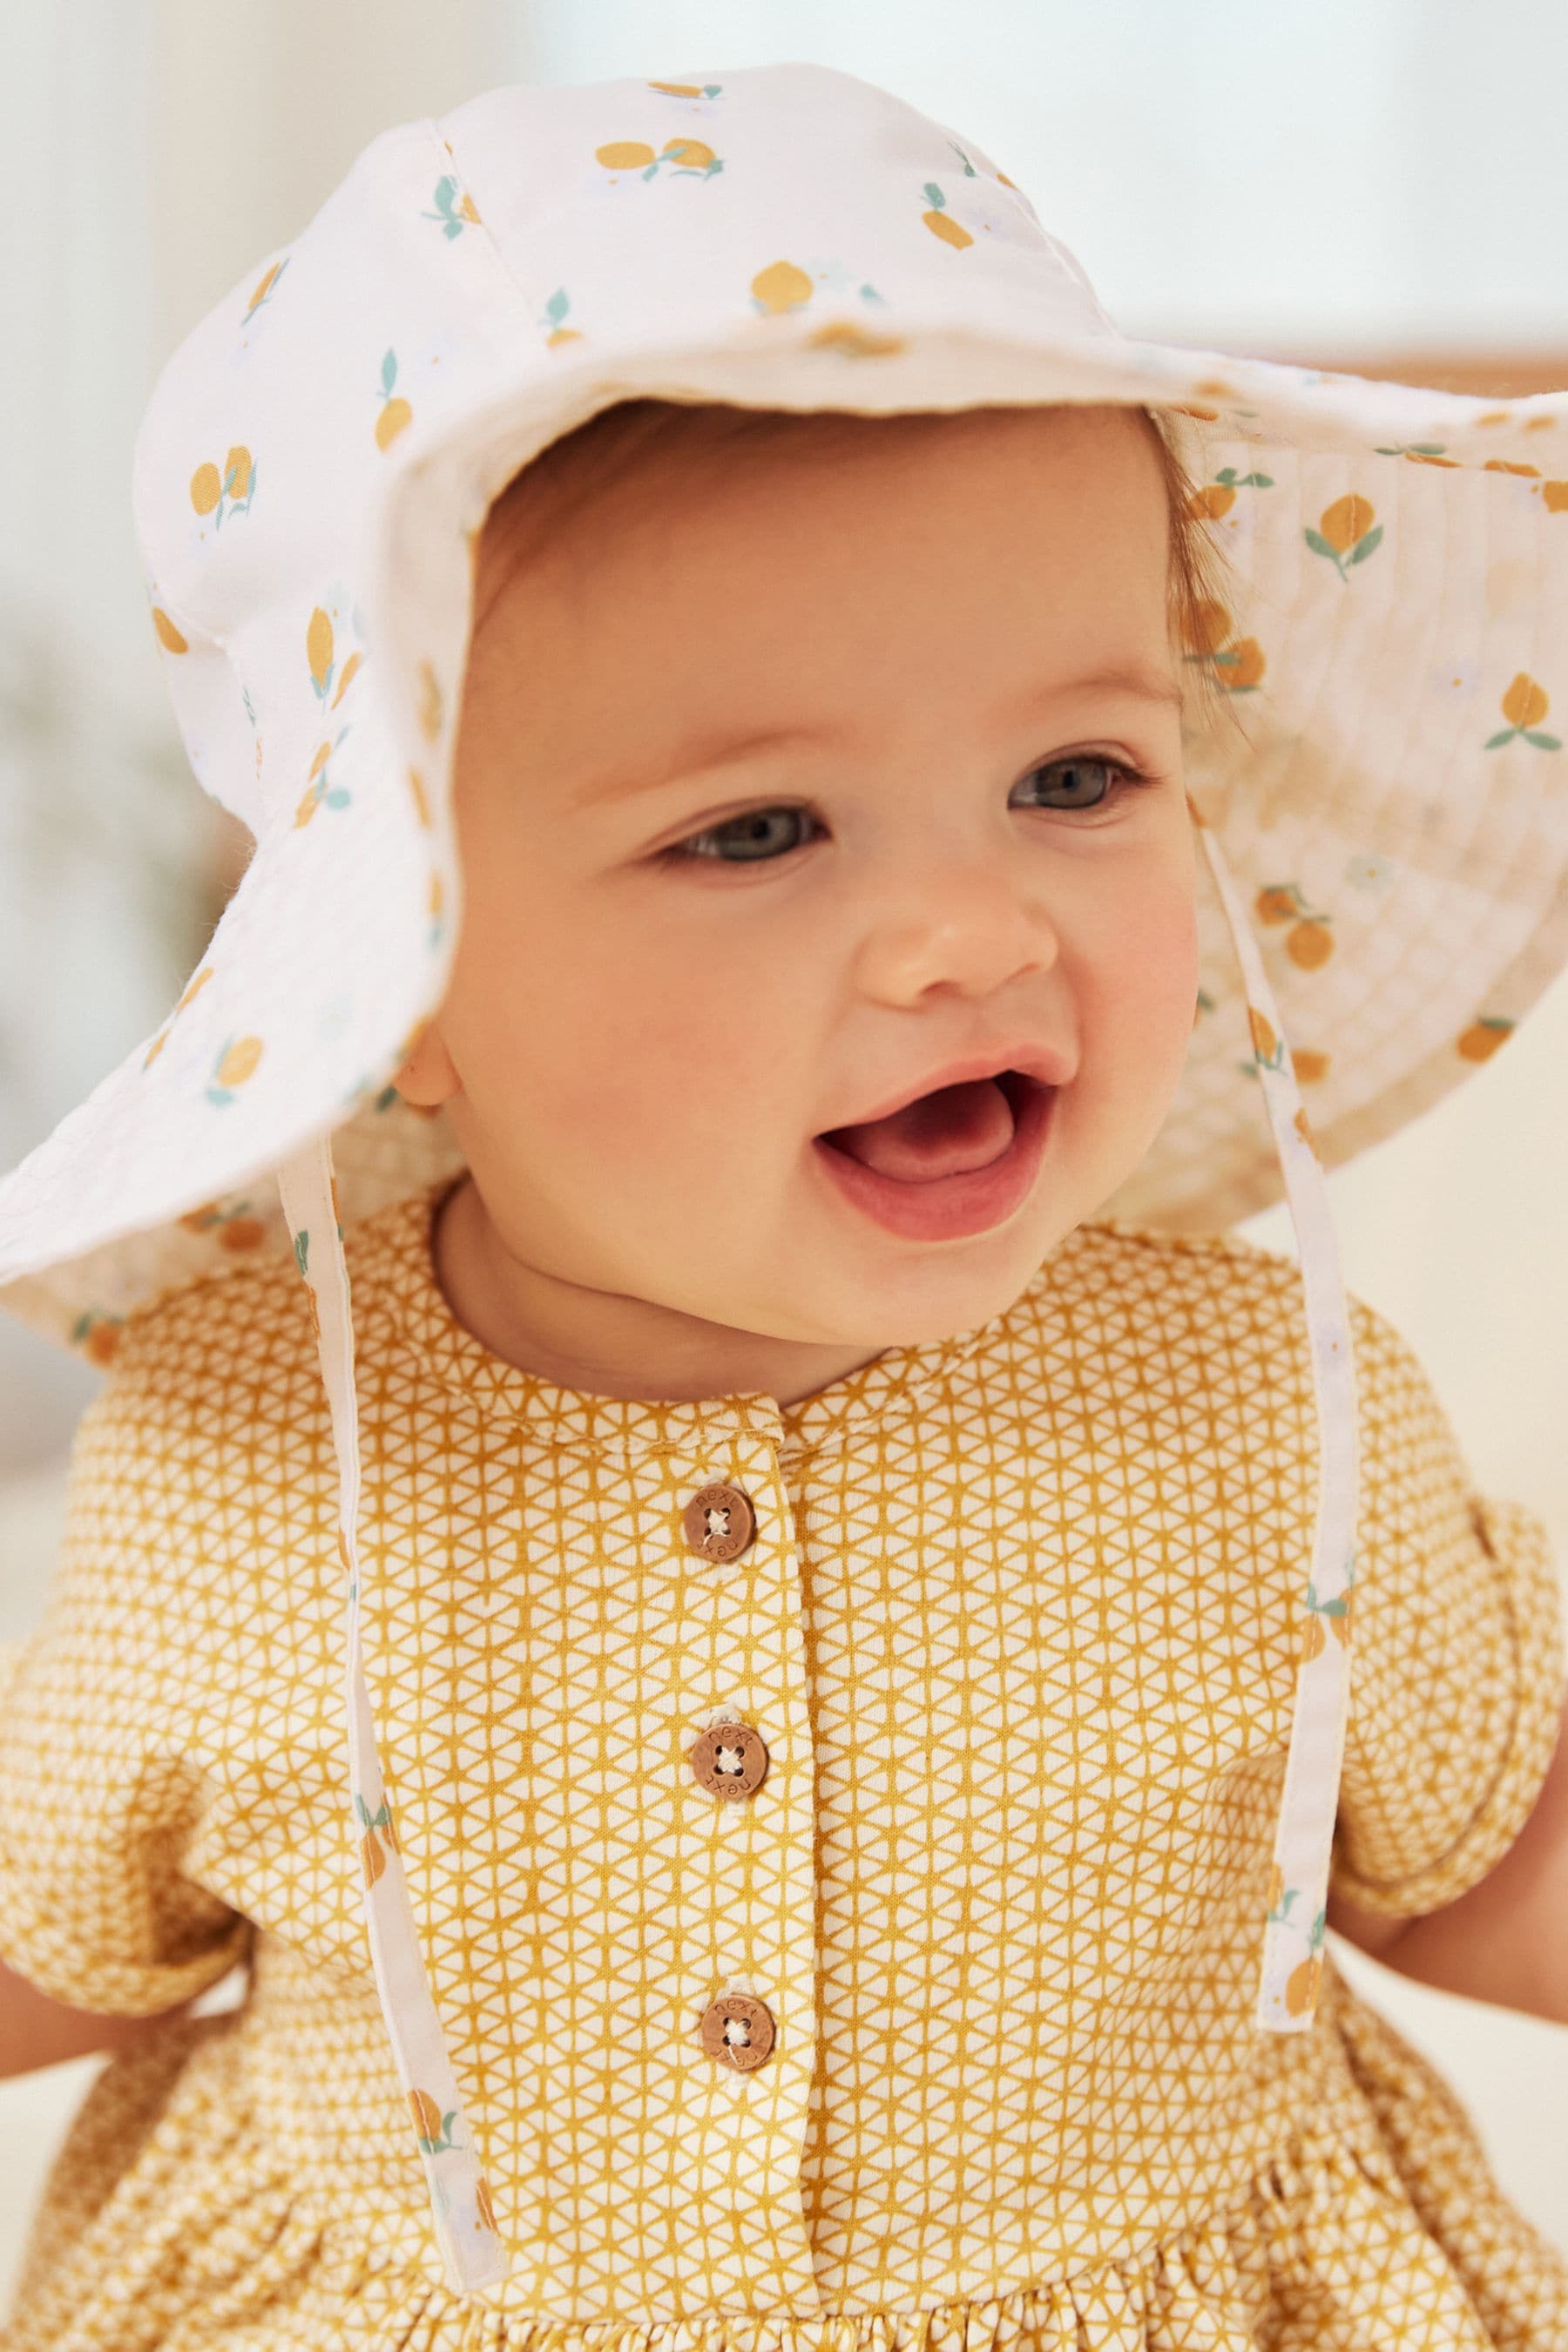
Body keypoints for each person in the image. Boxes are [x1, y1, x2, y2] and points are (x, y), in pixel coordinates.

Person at [0, 57, 1565, 2352]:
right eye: (756, 830)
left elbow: (1488, 1840)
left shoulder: (1263, 1400)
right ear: (395, 978)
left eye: (1075, 775)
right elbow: (57, 1912)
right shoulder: (249, 1447)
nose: (969, 933)